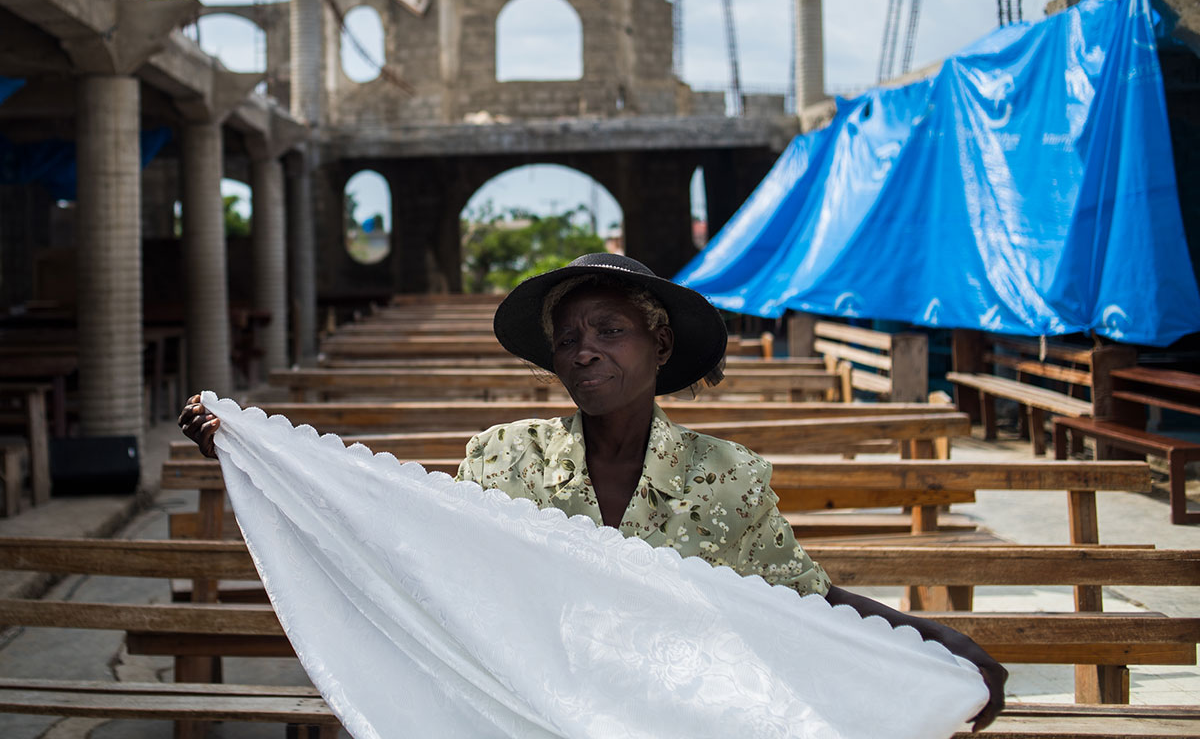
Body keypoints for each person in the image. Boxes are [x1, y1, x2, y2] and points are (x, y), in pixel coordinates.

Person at [180, 252, 1006, 731]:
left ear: (657, 346)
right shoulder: (507, 459)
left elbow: (803, 606)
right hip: (529, 706)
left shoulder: (727, 477)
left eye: (609, 331)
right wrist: (257, 458)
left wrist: (935, 645)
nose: (585, 353)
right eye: (569, 339)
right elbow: (414, 551)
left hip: (669, 716)